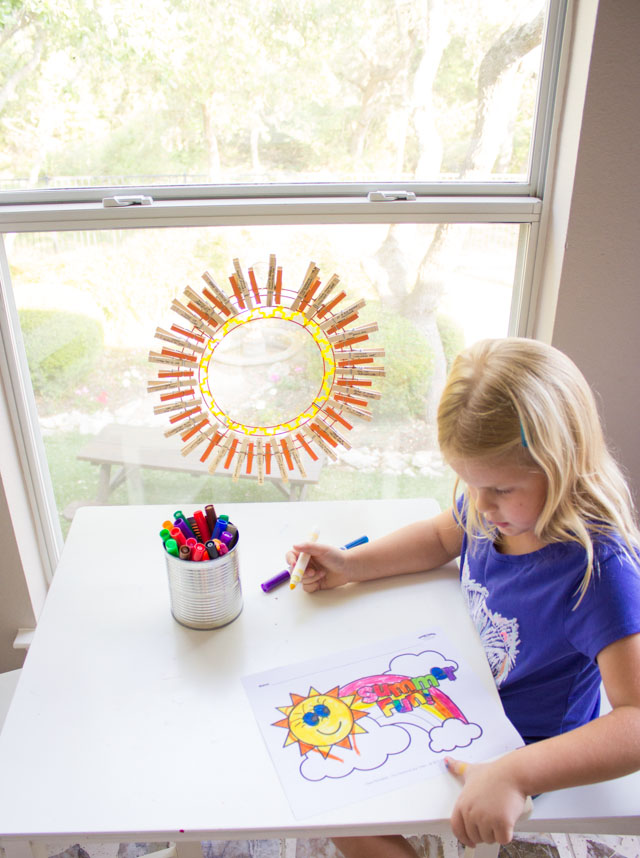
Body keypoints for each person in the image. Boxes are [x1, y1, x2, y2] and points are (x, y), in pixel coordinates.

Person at [286, 337, 640, 857]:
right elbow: (439, 537)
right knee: (331, 794)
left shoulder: (598, 572)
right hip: (459, 686)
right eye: (468, 483)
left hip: (524, 745)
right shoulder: (492, 509)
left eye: (498, 488)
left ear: (559, 463)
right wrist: (352, 565)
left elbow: (633, 718)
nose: (479, 503)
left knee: (349, 809)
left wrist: (517, 775)